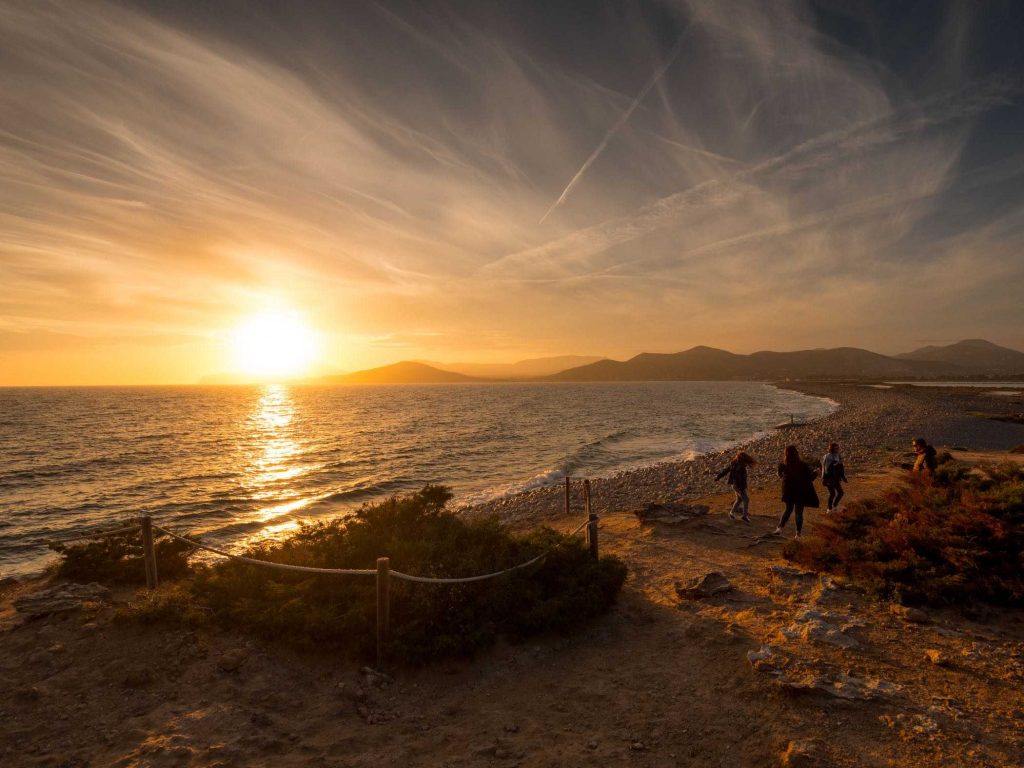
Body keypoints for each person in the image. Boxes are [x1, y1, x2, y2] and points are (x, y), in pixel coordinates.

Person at [774, 445, 819, 538]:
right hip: (800, 491)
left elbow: (780, 476)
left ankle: (779, 528)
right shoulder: (802, 465)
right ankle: (798, 534)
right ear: (796, 453)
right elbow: (809, 478)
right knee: (799, 513)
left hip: (788, 491)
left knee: (788, 510)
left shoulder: (782, 465)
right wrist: (816, 472)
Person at [715, 451, 755, 523]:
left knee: (739, 500)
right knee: (746, 500)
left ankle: (731, 513)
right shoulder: (741, 467)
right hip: (738, 486)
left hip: (735, 485)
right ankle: (744, 516)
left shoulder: (734, 464)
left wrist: (718, 477)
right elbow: (738, 478)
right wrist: (741, 488)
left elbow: (726, 471)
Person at [821, 442, 848, 513]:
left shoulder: (838, 455)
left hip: (836, 478)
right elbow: (827, 468)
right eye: (836, 448)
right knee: (832, 493)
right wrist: (837, 463)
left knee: (841, 493)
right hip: (828, 478)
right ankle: (829, 509)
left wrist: (843, 477)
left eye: (838, 448)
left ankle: (835, 506)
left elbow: (840, 467)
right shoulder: (827, 456)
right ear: (832, 448)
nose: (837, 449)